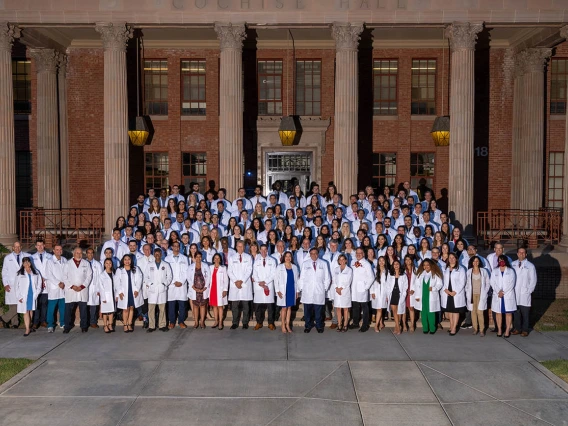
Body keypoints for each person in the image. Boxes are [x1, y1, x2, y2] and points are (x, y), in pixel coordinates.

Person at [298, 248, 331, 333]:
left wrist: (324, 288)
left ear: (318, 254)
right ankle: (308, 325)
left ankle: (319, 326)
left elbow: (327, 278)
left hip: (319, 290)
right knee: (307, 311)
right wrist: (301, 288)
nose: (314, 255)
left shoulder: (323, 263)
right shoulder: (305, 264)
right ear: (310, 254)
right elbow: (302, 277)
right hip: (307, 291)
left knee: (318, 311)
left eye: (315, 253)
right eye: (312, 253)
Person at [63, 247, 93, 334]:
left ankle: (84, 326)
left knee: (83, 310)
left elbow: (89, 276)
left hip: (82, 290)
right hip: (71, 290)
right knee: (68, 310)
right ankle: (67, 326)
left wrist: (82, 286)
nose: (79, 254)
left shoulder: (86, 263)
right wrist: (72, 286)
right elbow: (65, 277)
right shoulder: (67, 264)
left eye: (80, 253)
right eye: (77, 253)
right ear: (73, 253)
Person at [1, 241, 29, 328]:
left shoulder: (26, 256)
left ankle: (4, 319)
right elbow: (4, 272)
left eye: (19, 246)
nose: (17, 248)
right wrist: (5, 284)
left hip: (22, 283)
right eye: (15, 247)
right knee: (13, 305)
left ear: (21, 247)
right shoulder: (8, 258)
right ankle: (15, 323)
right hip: (11, 284)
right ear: (13, 248)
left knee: (20, 303)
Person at [412, 259, 444, 334]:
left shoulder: (436, 274)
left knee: (431, 313)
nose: (426, 266)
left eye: (427, 265)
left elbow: (440, 284)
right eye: (424, 265)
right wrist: (416, 296)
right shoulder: (420, 274)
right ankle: (425, 328)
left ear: (431, 265)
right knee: (423, 313)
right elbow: (416, 285)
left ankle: (432, 328)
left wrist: (434, 288)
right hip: (422, 296)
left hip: (431, 296)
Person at [144, 248, 172, 332]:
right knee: (151, 309)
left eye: (158, 254)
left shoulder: (166, 265)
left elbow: (169, 276)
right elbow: (146, 277)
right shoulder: (150, 265)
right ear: (154, 255)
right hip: (152, 290)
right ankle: (151, 326)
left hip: (162, 289)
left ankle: (162, 325)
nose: (157, 256)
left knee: (162, 309)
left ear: (161, 255)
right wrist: (150, 284)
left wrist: (164, 284)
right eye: (155, 254)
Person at [114, 254, 144, 332]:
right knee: (125, 309)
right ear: (123, 261)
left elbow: (139, 279)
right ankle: (125, 324)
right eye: (125, 259)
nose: (127, 261)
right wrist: (119, 292)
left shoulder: (136, 269)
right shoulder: (119, 270)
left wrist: (137, 290)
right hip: (124, 292)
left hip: (133, 291)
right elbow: (117, 282)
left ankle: (129, 324)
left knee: (131, 308)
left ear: (131, 261)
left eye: (129, 259)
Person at [227, 241, 254, 329]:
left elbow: (249, 270)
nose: (240, 248)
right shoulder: (232, 258)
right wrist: (236, 281)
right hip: (235, 285)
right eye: (238, 246)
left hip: (244, 284)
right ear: (236, 247)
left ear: (244, 247)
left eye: (242, 246)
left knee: (246, 305)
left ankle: (245, 322)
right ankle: (235, 322)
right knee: (235, 306)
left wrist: (241, 281)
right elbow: (229, 271)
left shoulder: (248, 257)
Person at [512, 247, 537, 337]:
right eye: (520, 252)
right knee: (516, 313)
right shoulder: (513, 264)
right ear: (517, 254)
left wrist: (528, 291)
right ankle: (517, 328)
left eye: (523, 253)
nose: (521, 254)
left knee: (525, 313)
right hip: (514, 292)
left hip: (524, 293)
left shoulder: (530, 266)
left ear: (526, 254)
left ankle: (525, 330)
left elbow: (533, 280)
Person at [490, 255, 517, 338]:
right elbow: (492, 282)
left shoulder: (511, 271)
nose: (501, 261)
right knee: (498, 313)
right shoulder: (494, 271)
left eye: (503, 260)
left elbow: (511, 284)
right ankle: (499, 330)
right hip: (498, 295)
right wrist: (499, 291)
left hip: (507, 295)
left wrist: (503, 292)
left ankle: (507, 330)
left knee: (508, 313)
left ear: (506, 261)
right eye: (499, 260)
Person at [252, 244, 277, 330]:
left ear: (267, 250)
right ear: (259, 250)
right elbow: (254, 273)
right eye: (261, 250)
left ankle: (271, 323)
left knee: (270, 307)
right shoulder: (256, 261)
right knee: (258, 307)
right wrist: (260, 282)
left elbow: (273, 273)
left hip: (268, 285)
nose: (263, 251)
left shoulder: (272, 261)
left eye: (265, 250)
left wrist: (265, 282)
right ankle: (259, 322)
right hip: (259, 287)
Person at [349, 247, 375, 332]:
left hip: (362, 289)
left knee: (364, 307)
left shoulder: (366, 264)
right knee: (355, 306)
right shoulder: (353, 262)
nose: (358, 254)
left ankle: (365, 324)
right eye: (357, 253)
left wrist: (365, 287)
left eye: (360, 253)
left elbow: (371, 277)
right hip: (354, 288)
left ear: (363, 254)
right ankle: (355, 323)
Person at [15, 257, 42, 336]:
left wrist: (36, 293)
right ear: (22, 264)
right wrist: (19, 296)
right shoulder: (19, 273)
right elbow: (16, 286)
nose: (26, 264)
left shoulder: (36, 272)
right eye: (24, 262)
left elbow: (39, 284)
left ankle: (29, 326)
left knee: (30, 311)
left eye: (28, 262)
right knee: (25, 311)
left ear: (30, 263)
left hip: (32, 294)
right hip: (24, 295)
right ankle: (27, 329)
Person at [441, 253, 467, 336]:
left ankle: (454, 328)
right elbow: (442, 280)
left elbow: (462, 282)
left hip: (456, 293)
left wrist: (455, 292)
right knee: (450, 312)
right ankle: (451, 325)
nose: (451, 259)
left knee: (455, 311)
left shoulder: (461, 269)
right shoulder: (445, 268)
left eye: (453, 258)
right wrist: (445, 290)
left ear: (456, 259)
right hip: (447, 292)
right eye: (450, 257)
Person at [165, 241, 189, 329]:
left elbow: (187, 271)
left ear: (180, 247)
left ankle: (181, 321)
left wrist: (181, 281)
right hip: (171, 285)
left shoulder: (184, 258)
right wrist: (174, 281)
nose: (176, 248)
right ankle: (172, 322)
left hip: (182, 285)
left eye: (178, 246)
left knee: (182, 304)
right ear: (172, 247)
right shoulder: (167, 259)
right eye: (174, 246)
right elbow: (167, 272)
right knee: (171, 304)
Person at [275, 251, 300, 333]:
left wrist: (297, 291)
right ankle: (282, 324)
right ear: (284, 257)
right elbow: (276, 279)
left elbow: (297, 280)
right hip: (283, 289)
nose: (288, 258)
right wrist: (277, 290)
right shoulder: (280, 267)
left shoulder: (295, 267)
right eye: (286, 256)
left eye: (289, 256)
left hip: (291, 289)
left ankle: (287, 325)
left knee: (289, 307)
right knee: (284, 308)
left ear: (291, 258)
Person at [45, 245, 67, 332]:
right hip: (54, 287)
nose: (59, 251)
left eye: (60, 249)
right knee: (51, 308)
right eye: (57, 250)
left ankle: (63, 323)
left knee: (63, 307)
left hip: (63, 287)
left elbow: (67, 272)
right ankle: (50, 325)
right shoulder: (49, 261)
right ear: (53, 251)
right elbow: (49, 274)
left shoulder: (64, 260)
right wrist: (58, 283)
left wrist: (64, 283)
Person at [466, 256, 490, 337]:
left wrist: (485, 291)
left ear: (479, 262)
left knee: (480, 312)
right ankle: (475, 329)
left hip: (481, 294)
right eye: (474, 261)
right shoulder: (469, 271)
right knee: (473, 312)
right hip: (472, 295)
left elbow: (487, 283)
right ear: (471, 262)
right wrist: (467, 291)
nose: (475, 263)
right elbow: (466, 283)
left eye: (477, 261)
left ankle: (481, 330)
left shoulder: (483, 271)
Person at [31, 239, 51, 329]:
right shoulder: (32, 258)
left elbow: (51, 270)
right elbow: (32, 270)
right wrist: (39, 278)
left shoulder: (50, 257)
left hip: (47, 283)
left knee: (45, 303)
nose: (39, 247)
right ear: (35, 246)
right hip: (36, 283)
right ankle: (35, 322)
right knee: (36, 304)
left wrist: (45, 278)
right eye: (38, 245)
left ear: (44, 245)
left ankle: (43, 321)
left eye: (41, 245)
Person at [331, 254, 353, 333]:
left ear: (346, 260)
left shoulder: (349, 270)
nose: (342, 261)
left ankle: (345, 325)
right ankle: (339, 325)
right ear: (338, 261)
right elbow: (333, 280)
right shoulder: (336, 269)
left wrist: (341, 288)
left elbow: (348, 281)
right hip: (337, 291)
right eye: (340, 259)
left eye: (343, 259)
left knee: (345, 309)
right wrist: (336, 288)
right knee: (338, 309)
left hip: (345, 291)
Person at [207, 253, 229, 330]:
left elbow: (226, 280)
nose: (216, 259)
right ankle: (216, 321)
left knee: (220, 306)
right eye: (215, 258)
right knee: (214, 306)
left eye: (218, 258)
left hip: (220, 290)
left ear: (220, 260)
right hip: (212, 289)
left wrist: (225, 290)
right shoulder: (210, 267)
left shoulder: (223, 268)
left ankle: (220, 322)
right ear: (213, 259)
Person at [188, 252, 210, 329]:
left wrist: (205, 287)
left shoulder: (205, 266)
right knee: (196, 306)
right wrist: (194, 288)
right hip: (194, 290)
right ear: (194, 257)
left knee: (203, 306)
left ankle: (202, 322)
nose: (198, 258)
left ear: (201, 257)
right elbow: (189, 278)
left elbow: (208, 277)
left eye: (200, 257)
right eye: (197, 257)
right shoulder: (191, 267)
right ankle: (196, 322)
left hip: (203, 290)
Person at [386, 260, 408, 335]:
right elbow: (388, 285)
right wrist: (387, 295)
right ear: (393, 266)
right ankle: (398, 326)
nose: (396, 265)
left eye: (397, 264)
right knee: (394, 311)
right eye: (394, 264)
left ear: (399, 265)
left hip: (400, 294)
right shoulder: (390, 274)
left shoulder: (403, 275)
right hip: (392, 294)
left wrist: (404, 295)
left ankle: (397, 326)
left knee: (399, 311)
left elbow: (405, 286)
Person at [371, 256, 390, 332]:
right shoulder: (374, 270)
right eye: (380, 261)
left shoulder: (387, 272)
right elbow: (372, 282)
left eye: (383, 261)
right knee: (379, 309)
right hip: (376, 292)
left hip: (384, 293)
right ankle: (377, 325)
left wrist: (388, 295)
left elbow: (388, 284)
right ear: (378, 262)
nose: (381, 262)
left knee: (380, 308)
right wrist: (372, 292)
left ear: (385, 262)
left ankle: (379, 323)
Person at [98, 258, 117, 333]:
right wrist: (103, 297)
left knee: (111, 311)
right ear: (104, 264)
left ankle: (110, 325)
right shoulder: (102, 275)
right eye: (107, 263)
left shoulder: (114, 273)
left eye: (110, 263)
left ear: (112, 264)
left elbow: (116, 285)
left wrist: (117, 295)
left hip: (113, 294)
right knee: (105, 312)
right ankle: (105, 325)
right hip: (106, 295)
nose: (108, 265)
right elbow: (101, 287)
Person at [86, 248, 103, 329]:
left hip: (94, 288)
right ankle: (85, 321)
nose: (90, 254)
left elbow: (101, 278)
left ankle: (93, 322)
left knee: (93, 306)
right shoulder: (83, 263)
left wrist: (99, 289)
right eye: (88, 253)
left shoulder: (98, 264)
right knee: (84, 306)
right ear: (86, 254)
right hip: (84, 288)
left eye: (92, 253)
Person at [402, 254, 417, 332]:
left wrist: (413, 289)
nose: (408, 261)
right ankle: (404, 324)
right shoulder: (402, 269)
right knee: (404, 309)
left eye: (409, 259)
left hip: (411, 292)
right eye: (406, 259)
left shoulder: (416, 269)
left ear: (412, 260)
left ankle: (412, 324)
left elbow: (417, 281)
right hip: (404, 291)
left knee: (411, 308)